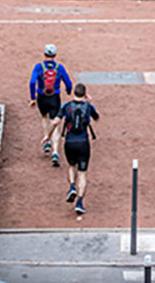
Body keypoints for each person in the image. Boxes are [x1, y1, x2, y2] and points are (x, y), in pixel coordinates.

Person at [48, 82, 99, 215]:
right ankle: (80, 202)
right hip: (83, 142)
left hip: (69, 142)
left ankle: (71, 187)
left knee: (71, 166)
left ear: (74, 93)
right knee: (82, 173)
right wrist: (90, 102)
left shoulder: (66, 106)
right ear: (85, 94)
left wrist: (48, 137)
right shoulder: (88, 106)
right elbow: (97, 118)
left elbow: (55, 122)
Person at [29, 44, 73, 167]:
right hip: (54, 97)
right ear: (55, 55)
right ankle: (55, 151)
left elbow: (32, 82)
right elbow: (68, 82)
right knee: (55, 122)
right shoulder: (59, 67)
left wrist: (33, 97)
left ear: (44, 54)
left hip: (42, 96)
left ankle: (45, 140)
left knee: (44, 117)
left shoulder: (39, 67)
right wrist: (69, 91)